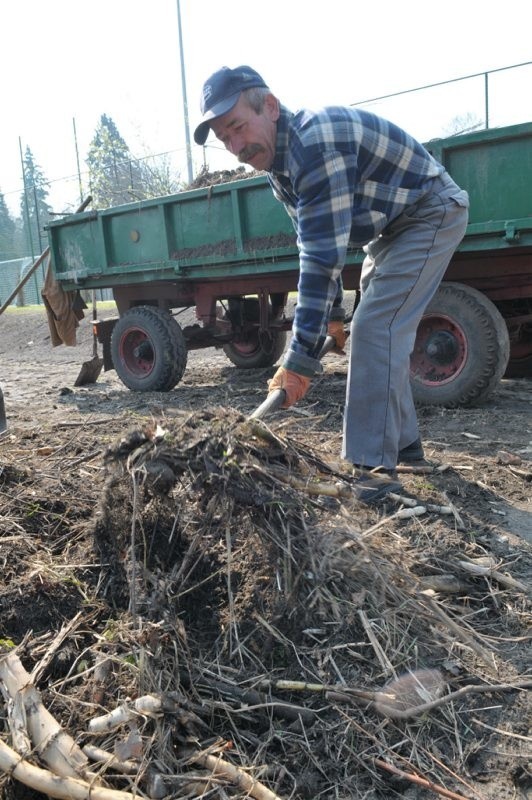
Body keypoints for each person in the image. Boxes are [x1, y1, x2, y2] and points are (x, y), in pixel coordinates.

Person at [193, 66, 469, 503]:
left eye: (238, 128)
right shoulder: (279, 167)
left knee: (377, 328)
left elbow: (321, 261)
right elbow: (318, 244)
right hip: (390, 229)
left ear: (270, 106)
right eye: (224, 139)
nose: (236, 147)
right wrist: (334, 318)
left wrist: (299, 358)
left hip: (430, 211)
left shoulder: (314, 144)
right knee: (373, 334)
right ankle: (404, 446)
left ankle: (372, 474)